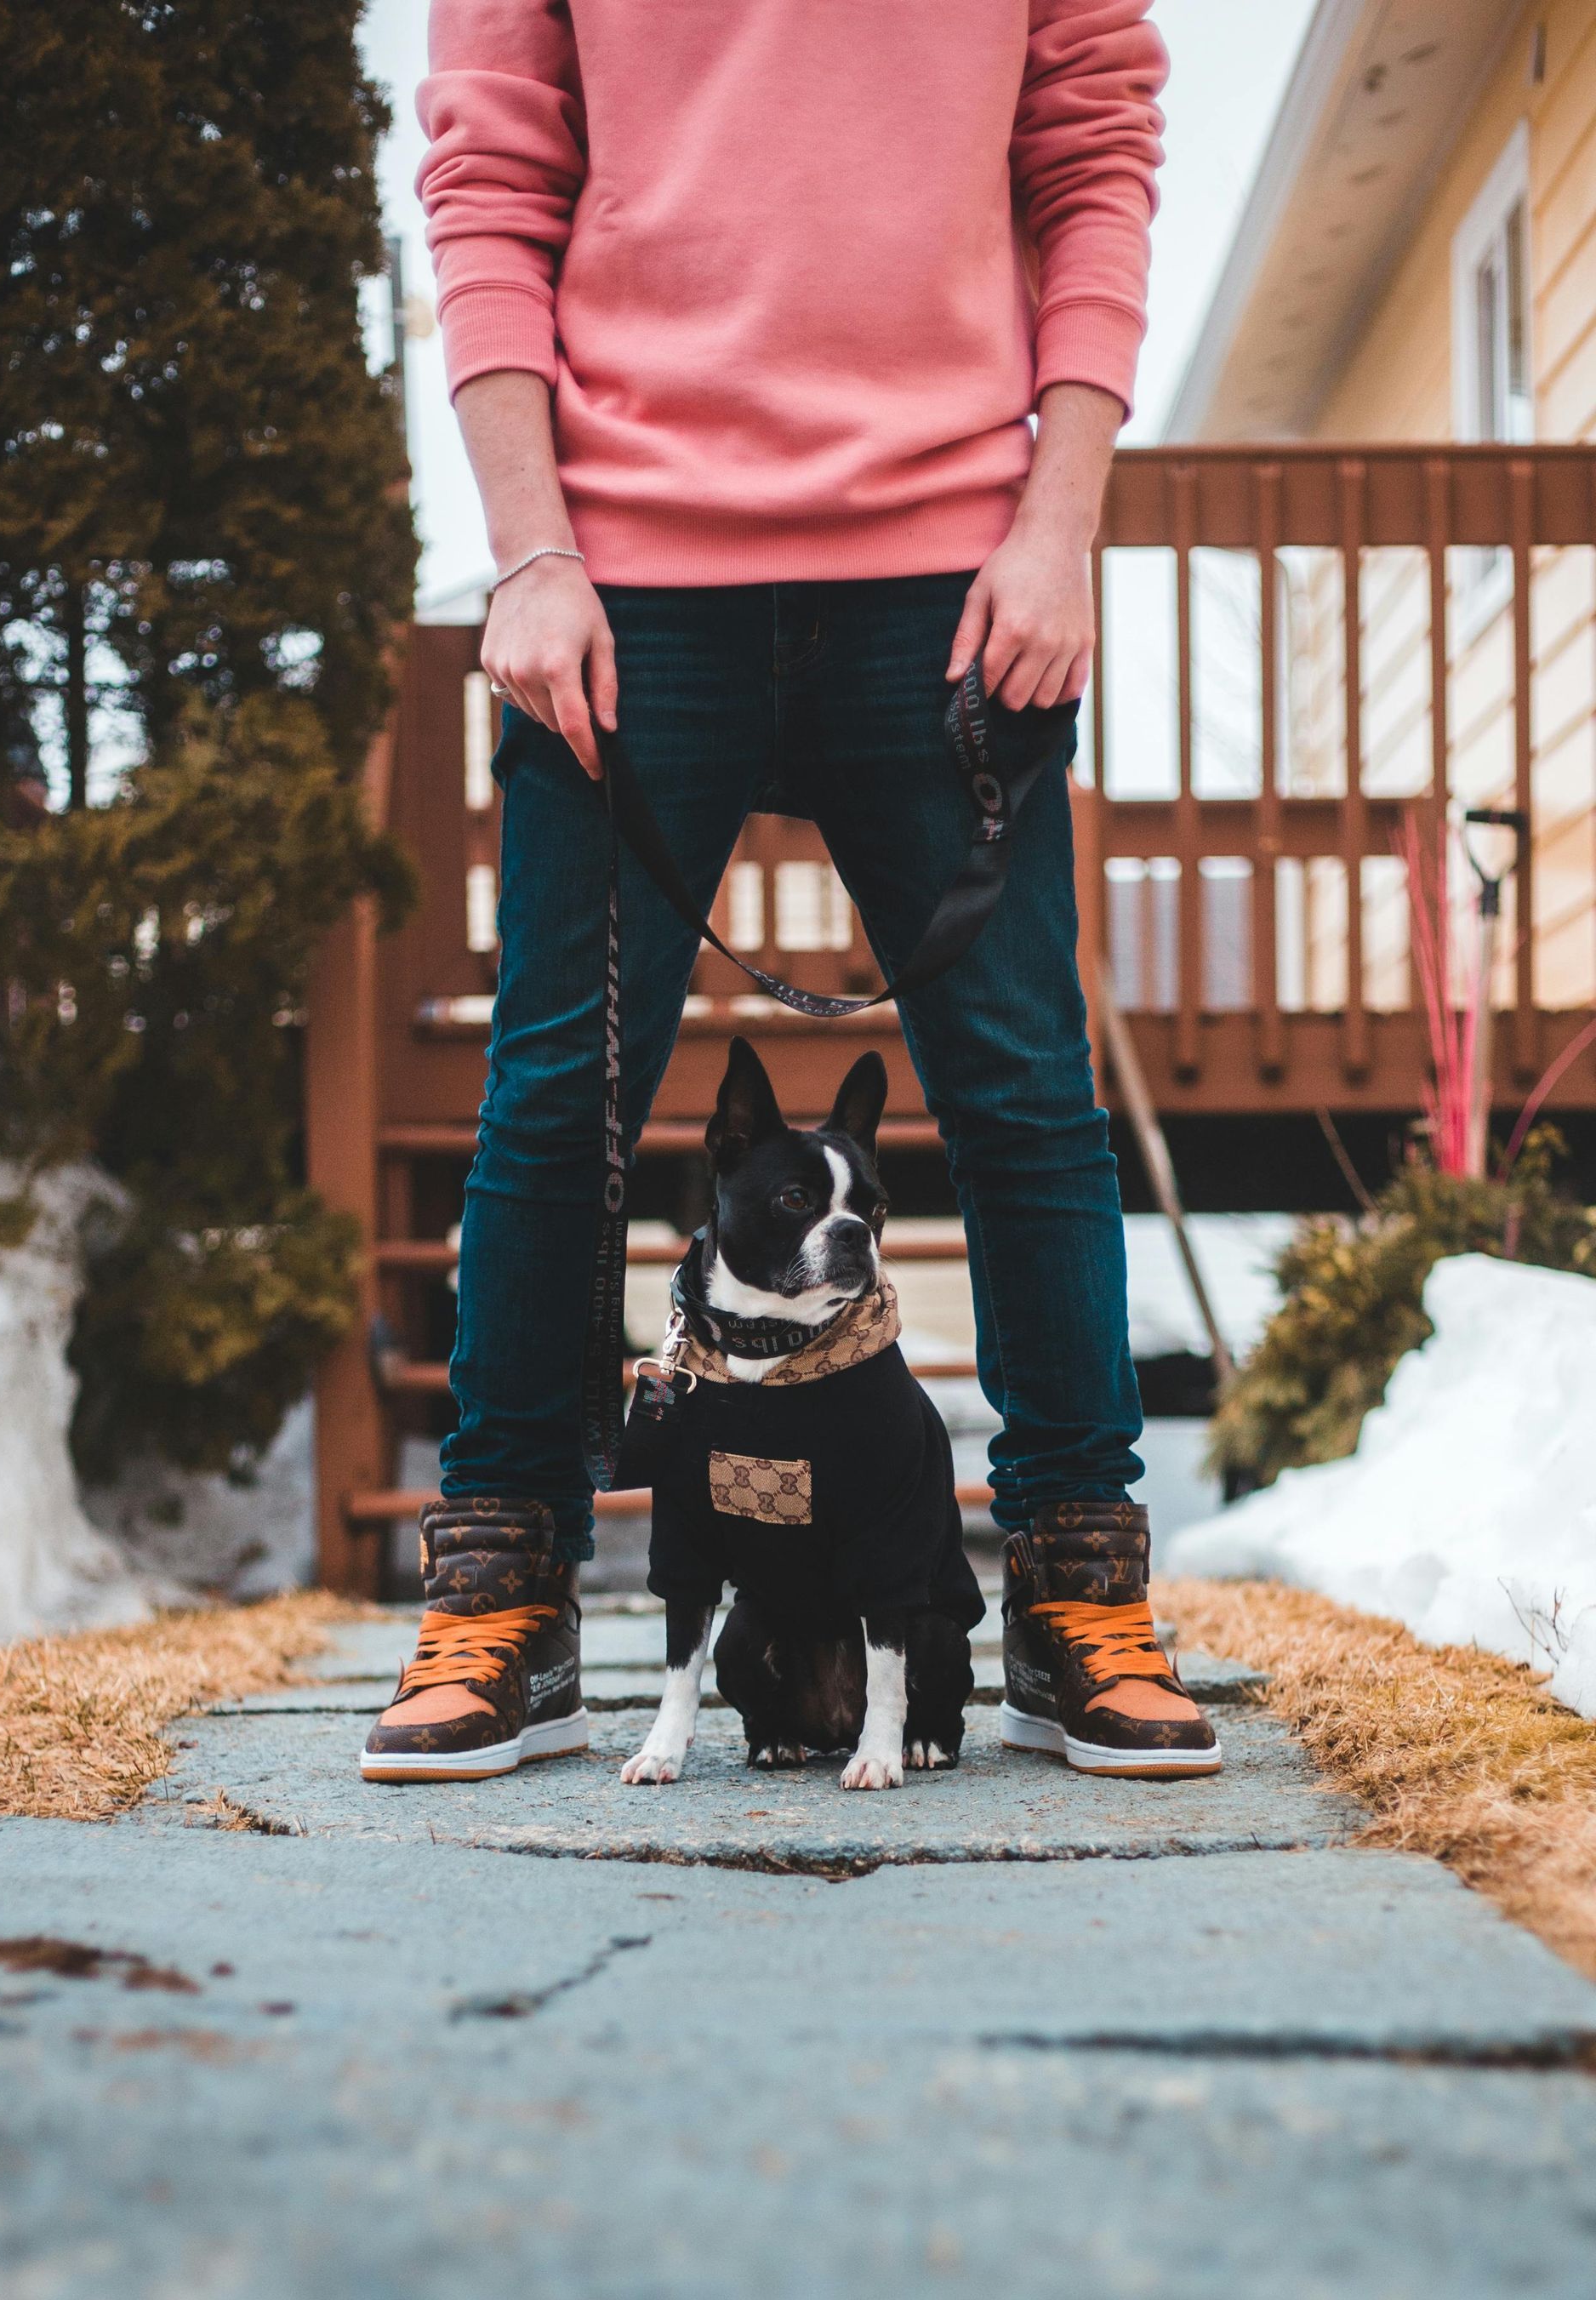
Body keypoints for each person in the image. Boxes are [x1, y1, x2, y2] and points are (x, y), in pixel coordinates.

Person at [361, 0, 1222, 1783]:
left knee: (1027, 1097)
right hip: (626, 573)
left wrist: (1059, 524)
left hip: (949, 578)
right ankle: (506, 1580)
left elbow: (1092, 159)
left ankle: (1077, 1577)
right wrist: (527, 549)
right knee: (554, 1103)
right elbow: (491, 181)